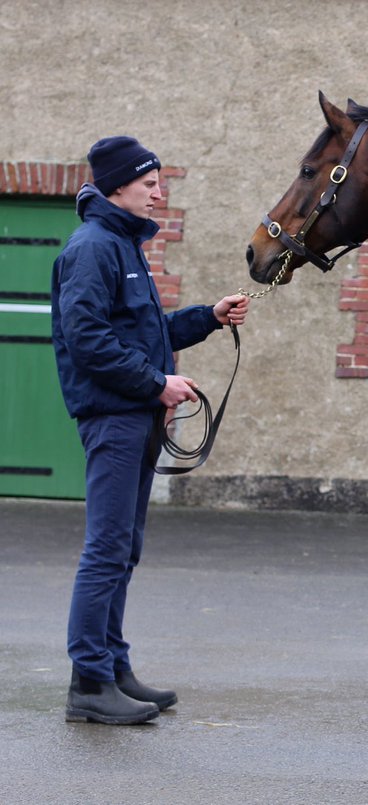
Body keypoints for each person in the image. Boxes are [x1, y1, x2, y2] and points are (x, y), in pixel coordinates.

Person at [51, 135, 250, 725]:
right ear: (118, 186)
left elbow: (145, 332)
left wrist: (207, 319)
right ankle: (88, 684)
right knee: (106, 549)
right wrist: (157, 384)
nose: (159, 194)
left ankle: (112, 667)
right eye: (149, 184)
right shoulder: (92, 248)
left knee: (124, 548)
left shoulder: (122, 244)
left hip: (133, 416)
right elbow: (87, 340)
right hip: (114, 418)